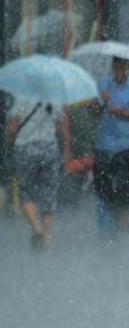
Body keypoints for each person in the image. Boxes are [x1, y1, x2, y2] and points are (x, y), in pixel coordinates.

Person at [5, 98, 69, 251]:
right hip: (49, 149)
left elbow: (12, 129)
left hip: (25, 149)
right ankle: (46, 237)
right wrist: (66, 150)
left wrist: (8, 143)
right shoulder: (54, 99)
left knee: (26, 191)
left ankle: (36, 228)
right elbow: (61, 128)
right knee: (49, 192)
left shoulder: (21, 97)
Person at [92, 57, 129, 233]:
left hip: (126, 144)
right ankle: (116, 220)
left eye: (127, 68)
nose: (123, 72)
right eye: (120, 68)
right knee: (102, 187)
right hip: (103, 144)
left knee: (124, 186)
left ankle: (124, 222)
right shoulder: (103, 84)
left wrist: (121, 112)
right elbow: (93, 113)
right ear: (113, 67)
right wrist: (101, 103)